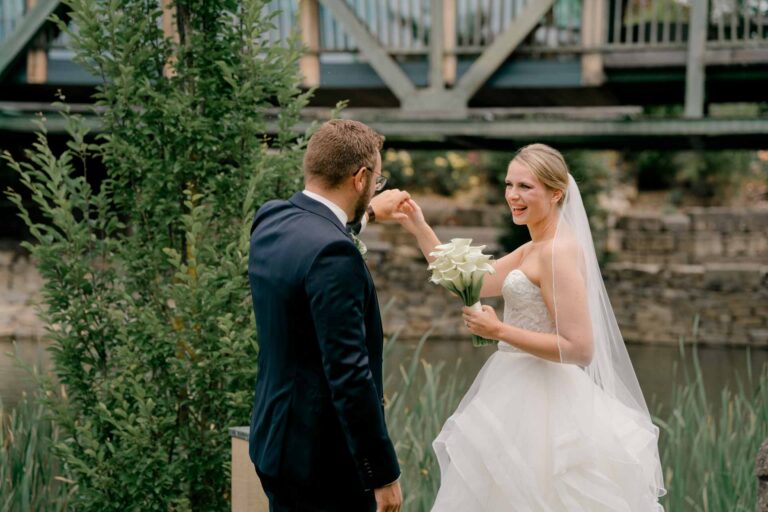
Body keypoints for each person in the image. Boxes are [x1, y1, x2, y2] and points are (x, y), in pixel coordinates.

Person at [394, 143, 666, 511]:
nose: (512, 195)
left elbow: (579, 347)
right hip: (512, 389)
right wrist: (419, 227)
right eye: (509, 185)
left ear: (556, 193)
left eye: (525, 187)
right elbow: (467, 280)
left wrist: (499, 331)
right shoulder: (533, 248)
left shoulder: (558, 252)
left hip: (546, 404)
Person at [248, 119, 409, 512]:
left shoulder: (270, 219)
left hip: (274, 441)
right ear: (360, 177)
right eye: (377, 179)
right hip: (322, 464)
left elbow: (318, 233)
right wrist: (381, 473)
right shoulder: (335, 256)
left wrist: (367, 213)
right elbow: (350, 375)